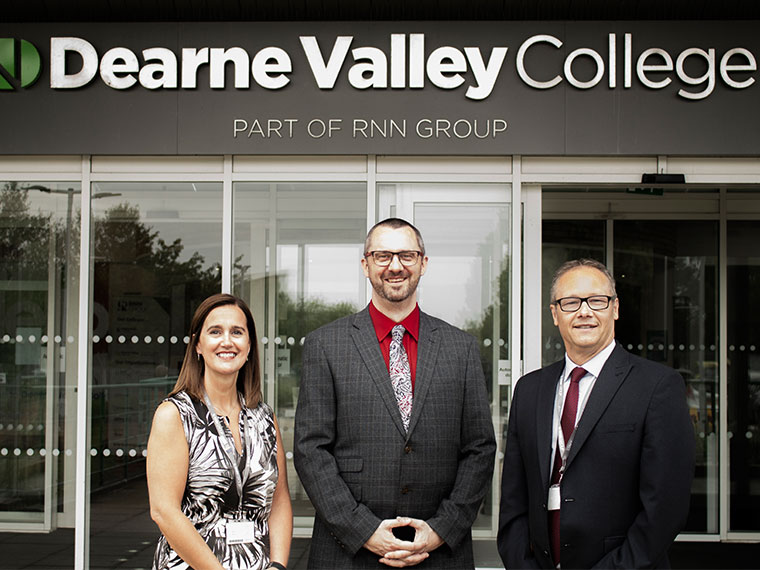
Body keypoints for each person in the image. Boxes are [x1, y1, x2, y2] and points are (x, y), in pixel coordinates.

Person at [294, 218, 496, 569]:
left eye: (407, 255)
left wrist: (441, 529)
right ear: (365, 264)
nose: (395, 266)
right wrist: (363, 530)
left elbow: (480, 448)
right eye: (383, 256)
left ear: (423, 263)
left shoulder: (460, 348)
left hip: (438, 553)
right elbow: (311, 450)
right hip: (348, 552)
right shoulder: (325, 345)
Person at [497, 259, 695, 569]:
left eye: (597, 301)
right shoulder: (530, 390)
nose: (584, 312)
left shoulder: (657, 386)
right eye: (571, 302)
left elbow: (665, 509)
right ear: (555, 314)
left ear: (615, 309)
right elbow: (513, 500)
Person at [147, 293, 292, 570]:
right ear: (198, 345)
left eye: (237, 332)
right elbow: (164, 512)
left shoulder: (264, 418)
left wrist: (278, 565)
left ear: (249, 346)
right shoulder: (174, 415)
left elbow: (280, 500)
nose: (227, 341)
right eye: (215, 332)